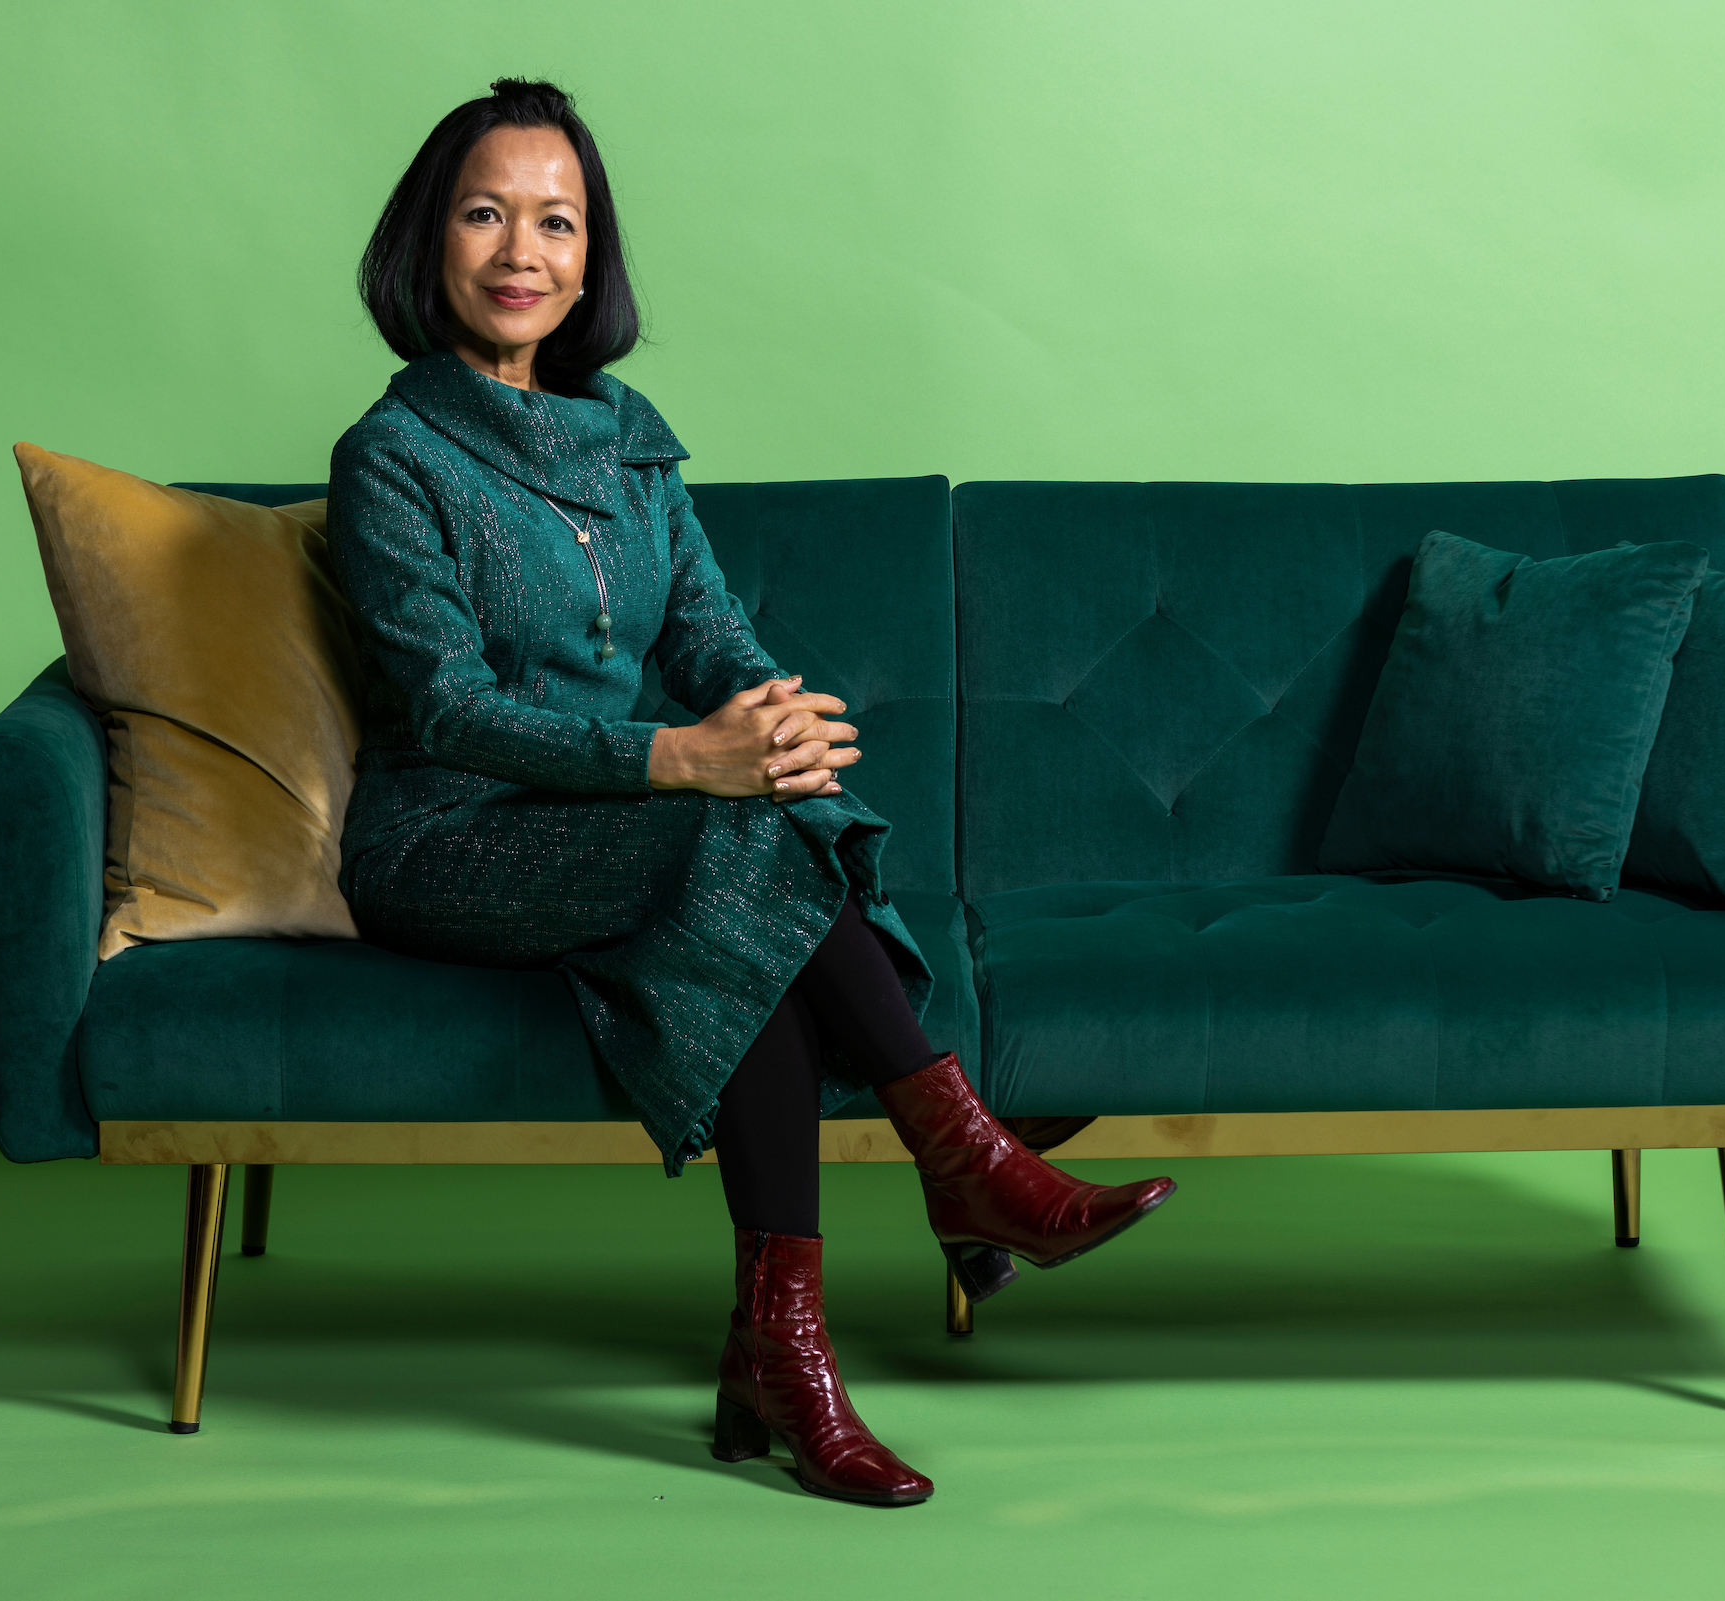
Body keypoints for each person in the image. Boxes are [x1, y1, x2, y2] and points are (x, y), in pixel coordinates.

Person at [328, 79, 1174, 1507]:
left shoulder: (633, 446)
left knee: (758, 880)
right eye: (485, 214)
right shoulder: (391, 458)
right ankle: (963, 1155)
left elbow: (709, 635)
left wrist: (773, 717)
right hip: (451, 840)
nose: (519, 251)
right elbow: (450, 710)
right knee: (748, 846)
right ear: (429, 239)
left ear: (591, 260)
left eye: (556, 220)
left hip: (631, 830)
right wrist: (684, 757)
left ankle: (785, 1346)